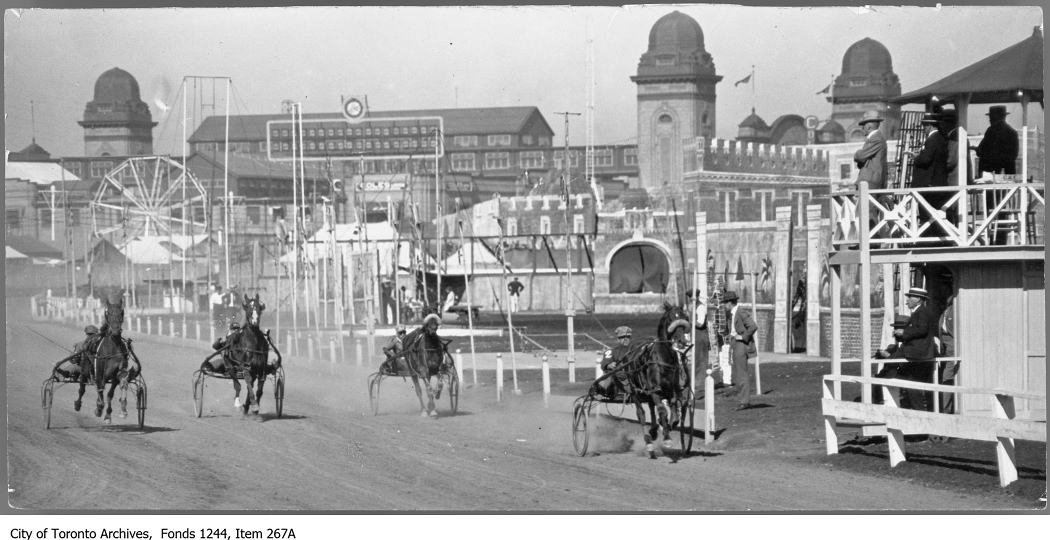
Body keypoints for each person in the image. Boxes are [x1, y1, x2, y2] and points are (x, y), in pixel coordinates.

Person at [893, 287, 939, 411]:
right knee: (910, 385)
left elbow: (922, 330)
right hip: (916, 355)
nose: (907, 301)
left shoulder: (922, 312)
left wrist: (904, 332)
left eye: (910, 297)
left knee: (913, 386)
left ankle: (919, 414)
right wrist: (901, 335)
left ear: (918, 299)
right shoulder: (919, 312)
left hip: (919, 355)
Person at [721, 291, 757, 410]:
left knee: (741, 373)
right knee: (738, 372)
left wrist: (743, 336)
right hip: (735, 343)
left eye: (725, 303)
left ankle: (744, 401)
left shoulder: (740, 312)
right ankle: (743, 400)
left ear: (730, 303)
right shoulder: (733, 313)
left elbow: (753, 326)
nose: (724, 306)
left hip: (741, 344)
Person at [976, 105, 1019, 175]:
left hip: (992, 175)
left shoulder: (991, 131)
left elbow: (982, 150)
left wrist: (977, 150)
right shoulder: (1012, 132)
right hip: (1008, 175)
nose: (989, 120)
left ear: (996, 117)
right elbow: (1014, 155)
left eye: (991, 117)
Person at [853, 110, 888, 191]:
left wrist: (857, 153)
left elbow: (860, 156)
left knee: (867, 203)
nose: (862, 128)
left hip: (871, 182)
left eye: (863, 125)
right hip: (869, 181)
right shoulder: (875, 138)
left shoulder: (876, 139)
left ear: (869, 127)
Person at [597, 326, 632, 398]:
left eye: (628, 337)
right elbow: (604, 364)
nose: (625, 339)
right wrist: (609, 365)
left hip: (632, 377)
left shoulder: (635, 350)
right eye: (622, 337)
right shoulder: (611, 351)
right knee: (610, 375)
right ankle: (601, 390)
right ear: (618, 339)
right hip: (618, 378)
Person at [684, 289, 711, 384]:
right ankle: (695, 380)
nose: (691, 299)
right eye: (690, 298)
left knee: (701, 359)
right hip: (694, 335)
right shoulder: (692, 307)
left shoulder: (700, 308)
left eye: (692, 297)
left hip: (701, 336)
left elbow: (700, 323)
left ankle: (701, 381)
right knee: (695, 359)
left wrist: (691, 321)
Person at [937, 292, 958, 413]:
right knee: (946, 379)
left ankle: (946, 409)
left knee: (947, 378)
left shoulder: (951, 311)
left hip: (952, 351)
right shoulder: (948, 311)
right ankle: (946, 409)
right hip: (948, 351)